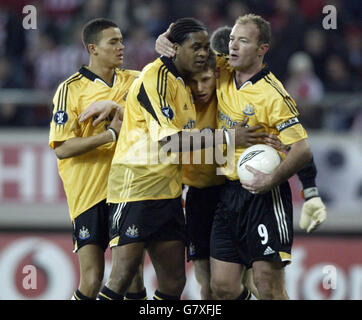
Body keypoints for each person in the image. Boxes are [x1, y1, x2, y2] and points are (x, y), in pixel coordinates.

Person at [93, 17, 265, 301]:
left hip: (170, 193)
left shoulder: (188, 77)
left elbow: (235, 58)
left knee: (174, 282)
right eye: (195, 48)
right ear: (175, 49)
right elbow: (171, 142)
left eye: (205, 49)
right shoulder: (157, 78)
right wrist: (228, 138)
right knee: (122, 277)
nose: (202, 54)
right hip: (136, 187)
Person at [48, 18, 146, 300]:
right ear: (93, 48)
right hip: (88, 194)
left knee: (133, 273)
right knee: (92, 279)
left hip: (126, 191)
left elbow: (165, 84)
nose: (121, 47)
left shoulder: (135, 80)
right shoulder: (71, 89)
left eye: (121, 40)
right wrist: (110, 137)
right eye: (113, 42)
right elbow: (62, 148)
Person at [209, 25, 327, 235]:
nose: (203, 83)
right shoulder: (185, 97)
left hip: (246, 190)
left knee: (260, 267)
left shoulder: (246, 88)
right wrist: (226, 138)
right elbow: (169, 144)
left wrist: (310, 190)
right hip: (206, 192)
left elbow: (295, 145)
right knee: (205, 267)